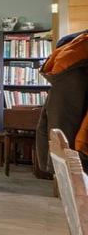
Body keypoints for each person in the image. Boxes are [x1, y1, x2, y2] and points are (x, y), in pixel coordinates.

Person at [37, 28, 88, 170]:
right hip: (78, 150)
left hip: (73, 148)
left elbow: (51, 120)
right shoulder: (75, 53)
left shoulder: (69, 58)